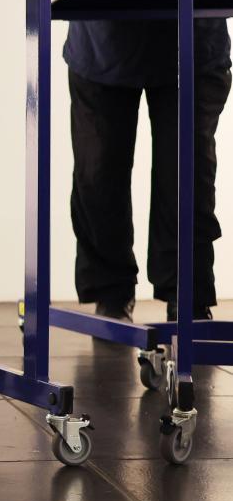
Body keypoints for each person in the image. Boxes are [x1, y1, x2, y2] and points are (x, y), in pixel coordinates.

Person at [65, 17, 232, 322]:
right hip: (103, 38)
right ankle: (111, 291)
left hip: (191, 36)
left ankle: (186, 295)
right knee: (98, 173)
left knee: (185, 177)